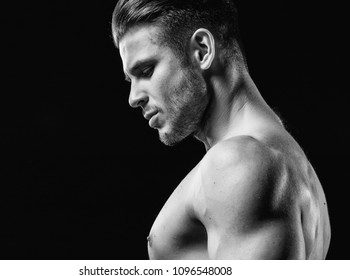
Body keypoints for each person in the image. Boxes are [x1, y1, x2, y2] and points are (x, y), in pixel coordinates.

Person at [111, 0, 331, 259]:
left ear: (202, 50)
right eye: (130, 80)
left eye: (146, 71)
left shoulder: (239, 163)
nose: (133, 97)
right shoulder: (284, 156)